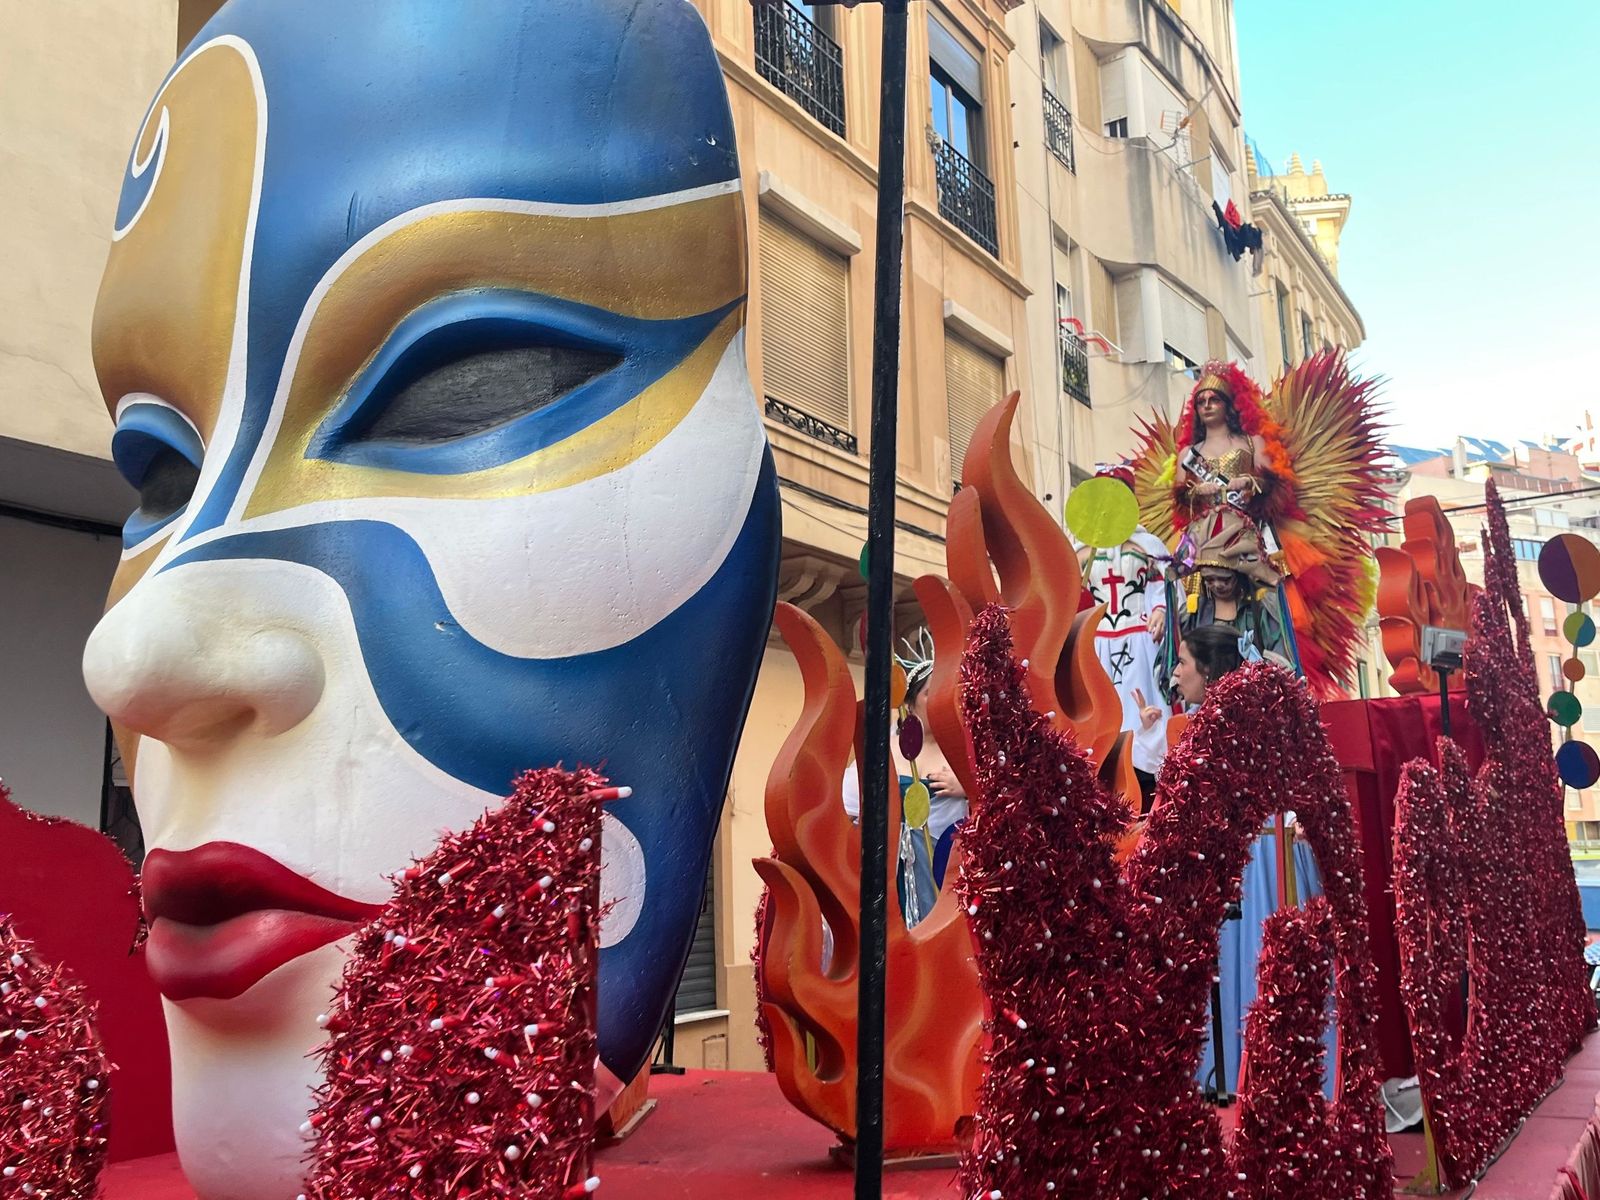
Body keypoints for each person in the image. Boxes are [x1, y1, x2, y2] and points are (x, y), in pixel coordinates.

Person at [1136, 624, 1330, 1100]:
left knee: (1257, 952)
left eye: (1182, 662)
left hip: (1260, 853)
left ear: (1209, 669)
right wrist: (1151, 734)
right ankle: (1234, 1066)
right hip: (1237, 853)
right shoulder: (1202, 720)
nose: (1175, 672)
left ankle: (1263, 1067)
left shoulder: (1235, 721)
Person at [840, 638, 967, 926]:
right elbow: (850, 809)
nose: (939, 701)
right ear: (909, 702)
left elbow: (995, 807)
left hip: (943, 873)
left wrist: (966, 790)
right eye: (929, 694)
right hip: (888, 872)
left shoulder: (961, 751)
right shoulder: (885, 750)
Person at [1076, 464, 1170, 793]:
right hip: (1096, 645)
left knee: (1149, 712)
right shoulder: (1080, 553)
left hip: (1142, 643)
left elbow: (1164, 590)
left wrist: (1160, 612)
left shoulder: (1149, 546)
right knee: (1100, 715)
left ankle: (1149, 781)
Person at [1184, 559, 1287, 660]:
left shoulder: (1260, 608)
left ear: (1239, 575)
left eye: (1225, 579)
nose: (1217, 585)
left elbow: (1278, 651)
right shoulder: (1194, 610)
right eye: (1210, 580)